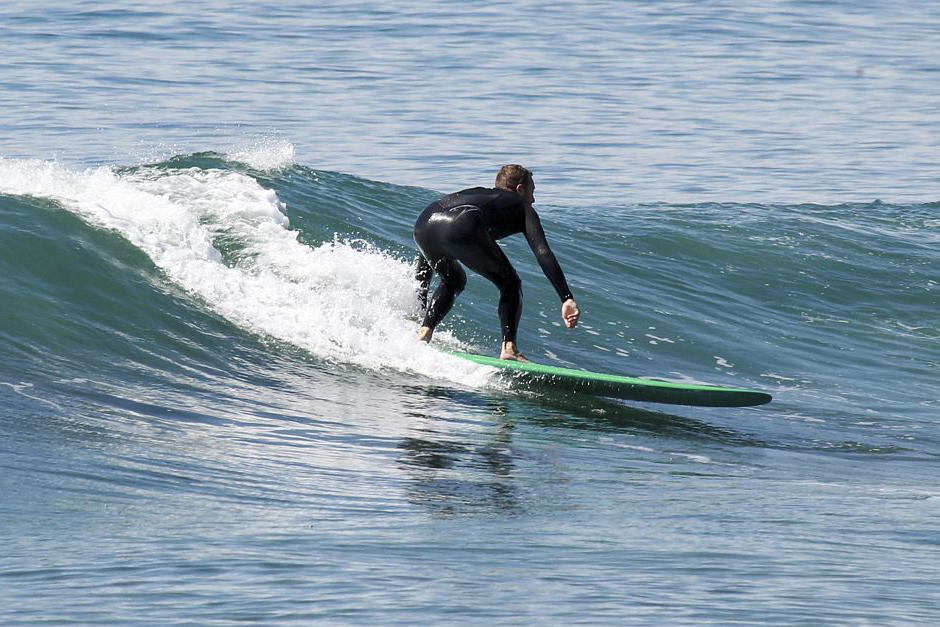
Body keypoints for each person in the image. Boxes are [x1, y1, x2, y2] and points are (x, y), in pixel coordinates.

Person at [413, 164, 580, 361]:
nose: (533, 199)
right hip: (460, 222)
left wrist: (421, 294)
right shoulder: (522, 206)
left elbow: (430, 243)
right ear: (520, 189)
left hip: (422, 225)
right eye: (532, 191)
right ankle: (509, 348)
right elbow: (543, 252)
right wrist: (566, 297)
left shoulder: (477, 195)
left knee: (453, 280)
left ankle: (424, 331)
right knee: (510, 283)